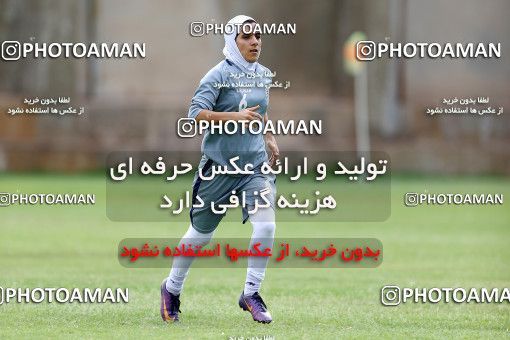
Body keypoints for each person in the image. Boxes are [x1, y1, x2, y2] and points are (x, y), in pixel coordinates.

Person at [160, 14, 279, 324]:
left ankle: (251, 293)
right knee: (200, 235)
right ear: (232, 42)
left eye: (258, 36)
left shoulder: (263, 74)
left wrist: (268, 138)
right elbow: (195, 114)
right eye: (246, 37)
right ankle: (171, 289)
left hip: (253, 167)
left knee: (266, 225)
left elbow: (261, 111)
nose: (255, 42)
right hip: (219, 169)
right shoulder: (216, 75)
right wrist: (234, 119)